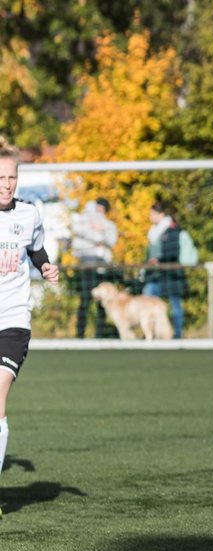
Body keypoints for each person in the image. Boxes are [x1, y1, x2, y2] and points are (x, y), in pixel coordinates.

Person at [0, 138, 60, 516]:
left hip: (13, 322)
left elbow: (37, 251)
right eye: (0, 177)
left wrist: (47, 267)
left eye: (11, 177)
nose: (7, 184)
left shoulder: (29, 214)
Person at [69, 198, 118, 338]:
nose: (99, 212)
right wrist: (96, 236)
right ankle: (80, 335)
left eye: (102, 209)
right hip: (87, 266)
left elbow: (112, 240)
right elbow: (78, 232)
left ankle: (99, 335)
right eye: (97, 208)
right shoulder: (85, 221)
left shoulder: (109, 226)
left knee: (102, 303)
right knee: (84, 301)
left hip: (102, 268)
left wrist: (102, 232)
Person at [142, 200, 191, 339]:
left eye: (152, 214)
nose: (150, 217)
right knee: (148, 300)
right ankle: (152, 333)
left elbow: (173, 251)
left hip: (170, 274)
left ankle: (178, 334)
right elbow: (149, 253)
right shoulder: (152, 232)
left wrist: (159, 259)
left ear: (161, 214)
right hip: (155, 275)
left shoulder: (172, 229)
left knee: (175, 304)